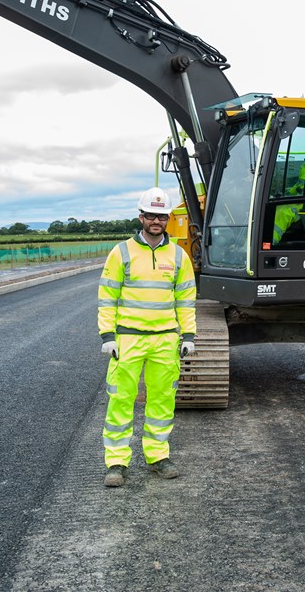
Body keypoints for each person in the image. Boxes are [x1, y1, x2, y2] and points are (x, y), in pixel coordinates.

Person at [98, 187, 197, 487]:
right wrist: (107, 335)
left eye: (162, 216)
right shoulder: (121, 253)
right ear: (141, 217)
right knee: (121, 400)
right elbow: (107, 296)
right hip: (128, 340)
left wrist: (189, 335)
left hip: (165, 340)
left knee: (162, 401)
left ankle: (157, 457)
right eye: (151, 215)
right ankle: (116, 463)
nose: (156, 220)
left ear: (168, 219)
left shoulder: (179, 256)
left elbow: (186, 300)